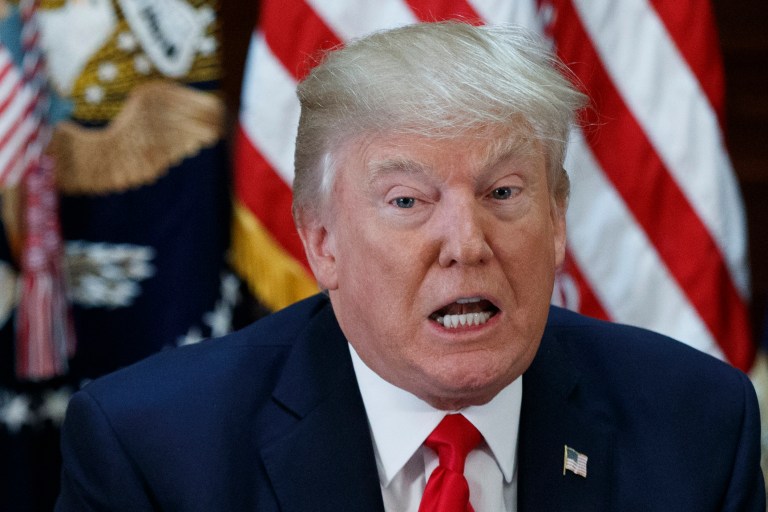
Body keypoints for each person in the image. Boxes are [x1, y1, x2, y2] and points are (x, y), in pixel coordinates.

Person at [55, 22, 764, 511]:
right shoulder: (155, 450)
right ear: (322, 243)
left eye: (504, 193)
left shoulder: (697, 423)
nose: (466, 242)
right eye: (407, 200)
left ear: (556, 221)